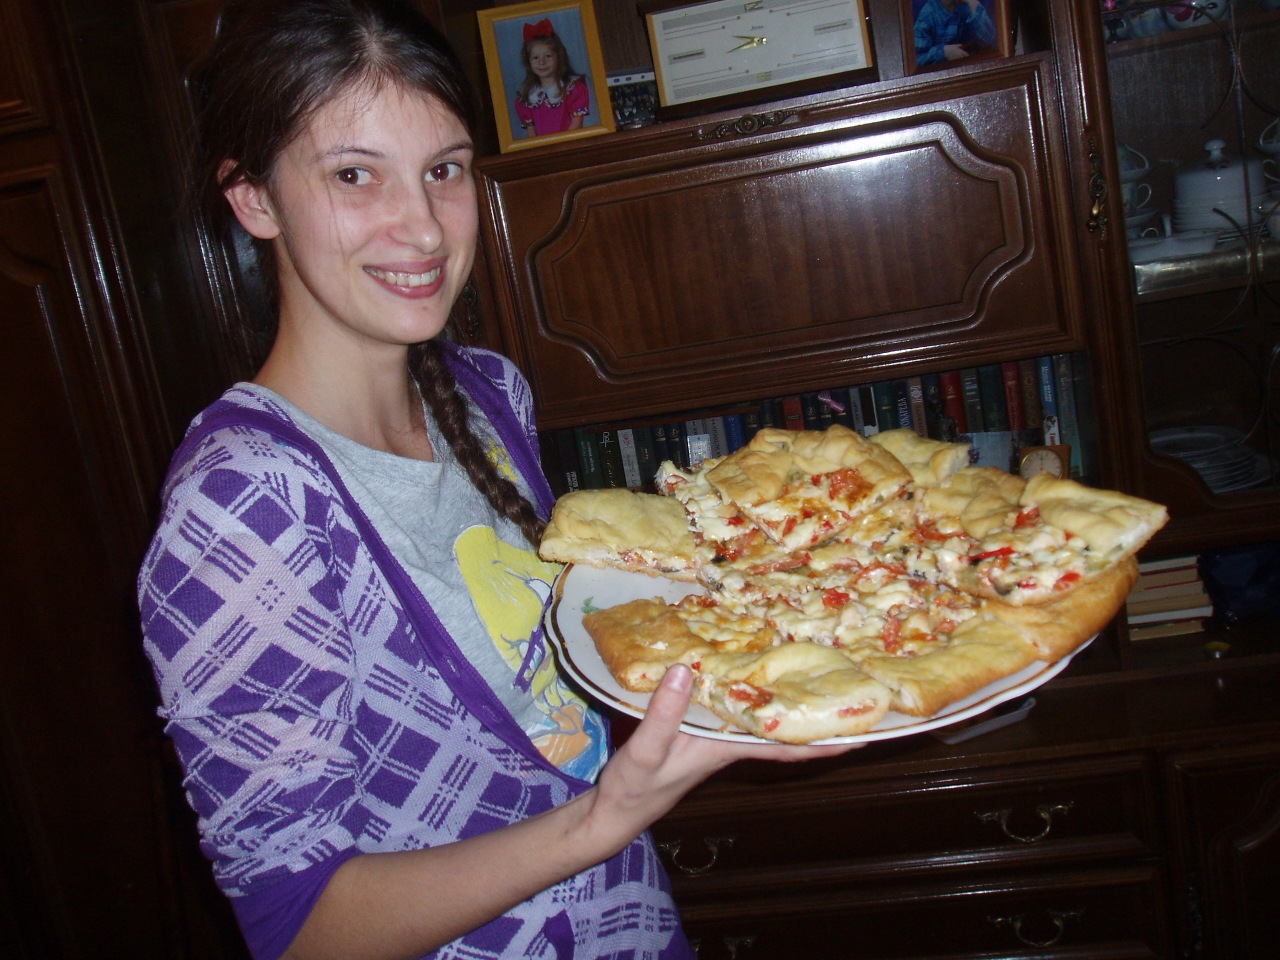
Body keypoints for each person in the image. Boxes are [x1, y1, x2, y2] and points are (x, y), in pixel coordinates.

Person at [137, 2, 853, 958]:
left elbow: (553, 691)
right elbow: (299, 927)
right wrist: (605, 816)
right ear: (253, 199)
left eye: (443, 170)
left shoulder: (485, 396)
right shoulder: (242, 507)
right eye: (354, 174)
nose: (423, 229)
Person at [513, 18, 590, 137]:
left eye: (548, 56)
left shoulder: (571, 88)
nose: (542, 62)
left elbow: (577, 125)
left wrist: (562, 145)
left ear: (558, 56)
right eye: (535, 58)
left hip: (569, 144)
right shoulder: (527, 96)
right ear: (528, 61)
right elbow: (531, 134)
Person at [914, 0, 998, 69]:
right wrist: (944, 53)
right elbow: (916, 61)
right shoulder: (927, 15)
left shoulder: (964, 6)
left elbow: (990, 40)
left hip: (966, 67)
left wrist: (973, 3)